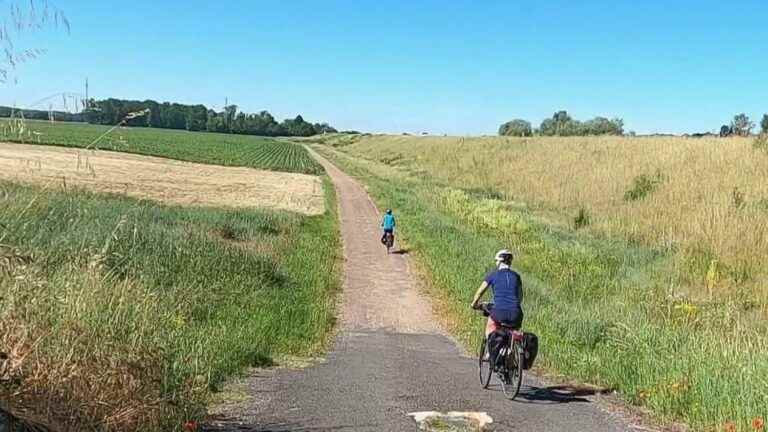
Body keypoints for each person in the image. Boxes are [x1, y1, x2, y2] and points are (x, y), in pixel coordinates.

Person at [470, 249, 523, 337]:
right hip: (516, 314)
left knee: (489, 332)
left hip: (499, 311)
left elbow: (479, 292)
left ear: (500, 261)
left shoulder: (493, 275)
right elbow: (520, 298)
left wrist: (474, 304)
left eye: (496, 261)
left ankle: (490, 350)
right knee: (513, 335)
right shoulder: (517, 276)